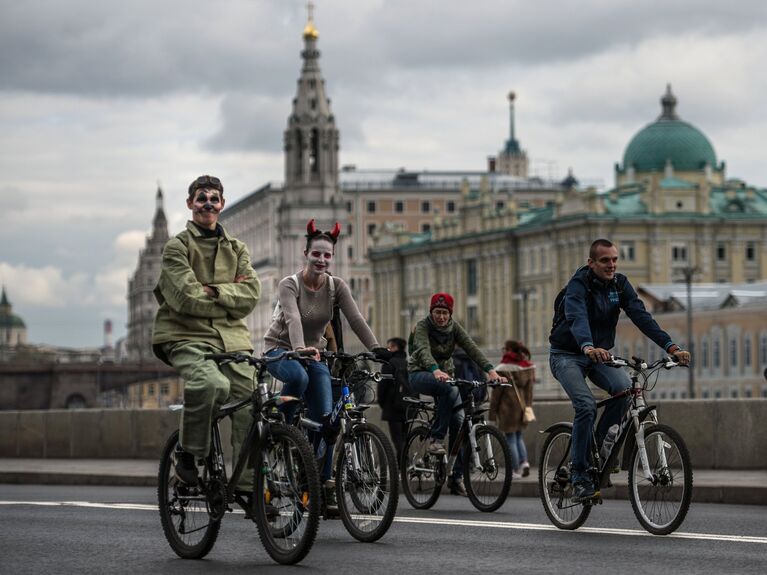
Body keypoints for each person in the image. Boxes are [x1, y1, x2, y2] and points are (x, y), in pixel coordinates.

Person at [548, 238, 691, 502]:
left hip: (599, 355)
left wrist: (671, 347)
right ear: (591, 263)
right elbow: (577, 317)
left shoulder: (620, 284)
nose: (611, 265)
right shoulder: (578, 286)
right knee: (586, 405)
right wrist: (588, 346)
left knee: (625, 390)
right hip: (567, 355)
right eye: (605, 260)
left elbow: (641, 317)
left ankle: (599, 453)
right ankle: (579, 476)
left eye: (614, 259)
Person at [263, 219, 389, 505]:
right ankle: (286, 432)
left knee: (326, 420)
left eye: (327, 255)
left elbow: (356, 319)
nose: (322, 260)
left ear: (333, 257)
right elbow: (294, 318)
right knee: (299, 378)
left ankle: (317, 478)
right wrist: (298, 348)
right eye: (316, 253)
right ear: (305, 253)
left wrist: (377, 348)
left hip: (315, 354)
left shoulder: (336, 286)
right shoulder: (289, 284)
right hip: (280, 351)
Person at [152, 174, 262, 491]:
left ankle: (245, 481)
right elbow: (185, 299)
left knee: (253, 398)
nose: (208, 204)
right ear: (190, 204)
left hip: (232, 341)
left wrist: (211, 291)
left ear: (222, 205)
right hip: (185, 337)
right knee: (211, 383)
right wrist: (229, 296)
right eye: (202, 198)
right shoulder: (176, 248)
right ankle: (188, 454)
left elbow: (252, 295)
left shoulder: (237, 249)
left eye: (214, 199)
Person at [408, 292, 505, 496]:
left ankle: (456, 476)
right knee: (449, 389)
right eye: (437, 312)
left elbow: (472, 348)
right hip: (420, 373)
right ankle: (435, 439)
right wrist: (434, 369)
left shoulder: (455, 328)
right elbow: (423, 350)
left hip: (446, 375)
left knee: (460, 424)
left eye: (445, 313)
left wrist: (491, 370)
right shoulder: (422, 327)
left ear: (450, 314)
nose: (441, 317)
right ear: (431, 312)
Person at [490, 340, 534, 479]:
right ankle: (525, 463)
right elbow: (529, 391)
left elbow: (497, 393)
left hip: (507, 408)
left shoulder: (503, 367)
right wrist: (528, 407)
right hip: (522, 407)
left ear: (508, 349)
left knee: (510, 438)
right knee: (518, 436)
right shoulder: (527, 367)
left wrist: (492, 413)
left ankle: (515, 470)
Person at [378, 337, 410, 462]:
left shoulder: (389, 363)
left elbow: (383, 386)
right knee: (405, 437)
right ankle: (404, 463)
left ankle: (402, 464)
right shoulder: (409, 363)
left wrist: (383, 404)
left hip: (393, 406)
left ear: (395, 348)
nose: (387, 350)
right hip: (409, 406)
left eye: (389, 347)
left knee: (397, 439)